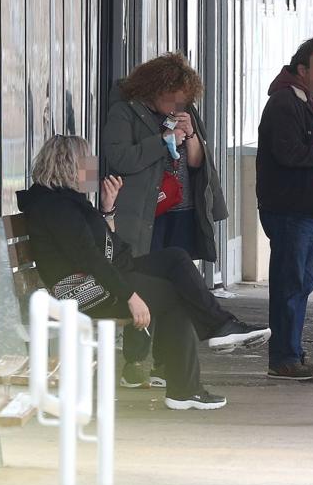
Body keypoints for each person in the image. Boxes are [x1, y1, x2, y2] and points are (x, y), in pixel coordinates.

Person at [18, 136, 229, 410]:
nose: (93, 166)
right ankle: (185, 387)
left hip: (99, 278)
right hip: (83, 291)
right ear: (68, 165)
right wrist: (131, 296)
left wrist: (107, 209)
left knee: (176, 258)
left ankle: (220, 325)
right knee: (176, 295)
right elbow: (91, 258)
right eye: (87, 160)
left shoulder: (65, 201)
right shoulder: (57, 208)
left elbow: (101, 247)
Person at [103, 52, 268, 389]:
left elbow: (197, 162)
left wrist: (190, 136)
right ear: (153, 89)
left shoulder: (185, 110)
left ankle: (165, 363)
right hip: (144, 215)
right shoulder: (126, 109)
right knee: (143, 282)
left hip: (181, 210)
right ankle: (135, 362)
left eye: (182, 99)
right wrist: (162, 143)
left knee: (176, 288)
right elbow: (119, 157)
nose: (176, 105)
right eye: (171, 99)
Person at [257, 37, 313, 381]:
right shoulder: (285, 103)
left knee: (300, 282)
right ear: (302, 70)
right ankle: (284, 357)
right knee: (290, 282)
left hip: (308, 210)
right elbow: (289, 153)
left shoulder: (309, 102)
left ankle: (292, 351)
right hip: (290, 209)